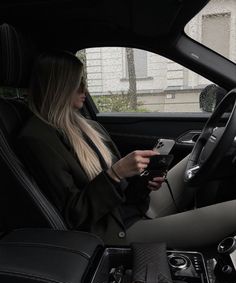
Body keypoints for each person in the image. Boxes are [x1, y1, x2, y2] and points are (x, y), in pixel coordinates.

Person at [17, 51, 236, 249]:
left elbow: (115, 188)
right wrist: (116, 174)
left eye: (84, 81)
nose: (85, 89)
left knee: (199, 156)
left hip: (130, 208)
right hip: (115, 230)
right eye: (77, 83)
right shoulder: (37, 139)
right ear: (59, 88)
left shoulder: (84, 125)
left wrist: (142, 182)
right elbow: (74, 215)